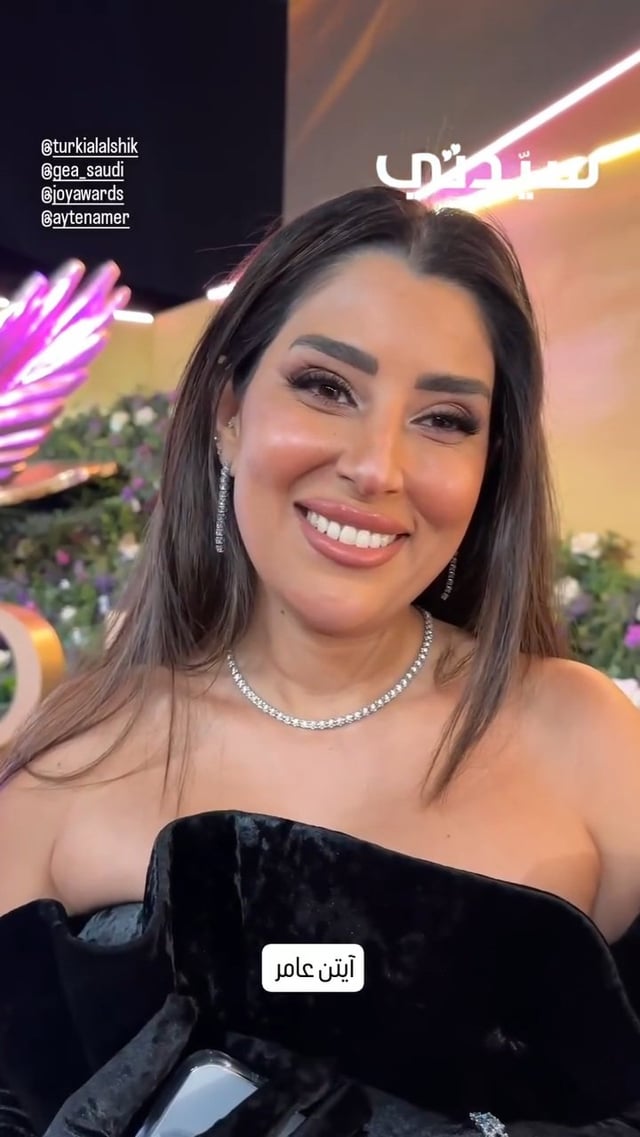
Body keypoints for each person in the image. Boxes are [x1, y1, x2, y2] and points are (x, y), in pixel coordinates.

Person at [1, 184, 640, 1137]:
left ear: (489, 467)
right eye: (327, 387)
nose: (377, 466)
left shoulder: (587, 740)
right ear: (229, 413)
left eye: (444, 419)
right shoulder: (67, 767)